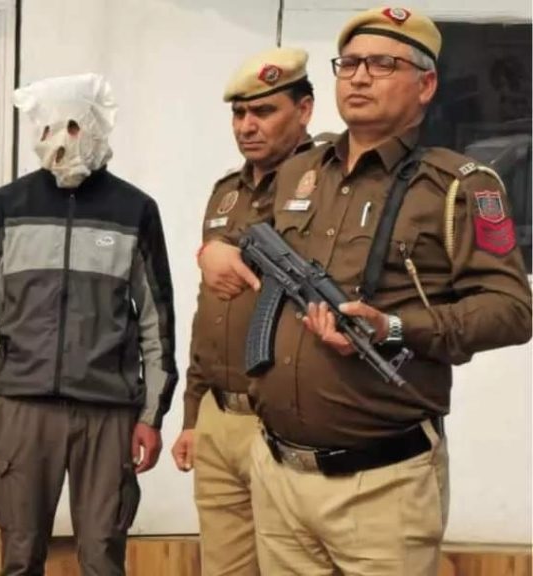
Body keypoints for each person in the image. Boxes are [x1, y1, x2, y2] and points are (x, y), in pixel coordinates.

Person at [198, 7, 532, 574]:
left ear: (425, 85)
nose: (358, 77)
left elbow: (513, 311)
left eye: (382, 64)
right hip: (277, 475)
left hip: (382, 486)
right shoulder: (298, 171)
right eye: (349, 63)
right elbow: (239, 233)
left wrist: (394, 327)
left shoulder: (456, 187)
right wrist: (215, 250)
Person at [0, 73, 178, 575]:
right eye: (50, 128)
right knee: (19, 556)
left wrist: (151, 416)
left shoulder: (135, 211)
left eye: (75, 126)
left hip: (109, 414)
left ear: (97, 127)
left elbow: (157, 325)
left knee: (102, 556)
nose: (62, 140)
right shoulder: (6, 207)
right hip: (23, 410)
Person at [170, 46, 314, 576]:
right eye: (239, 113)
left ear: (304, 110)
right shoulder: (226, 193)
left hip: (281, 418)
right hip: (219, 416)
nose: (247, 126)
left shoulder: (322, 183)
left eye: (264, 111)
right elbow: (210, 310)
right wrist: (193, 414)